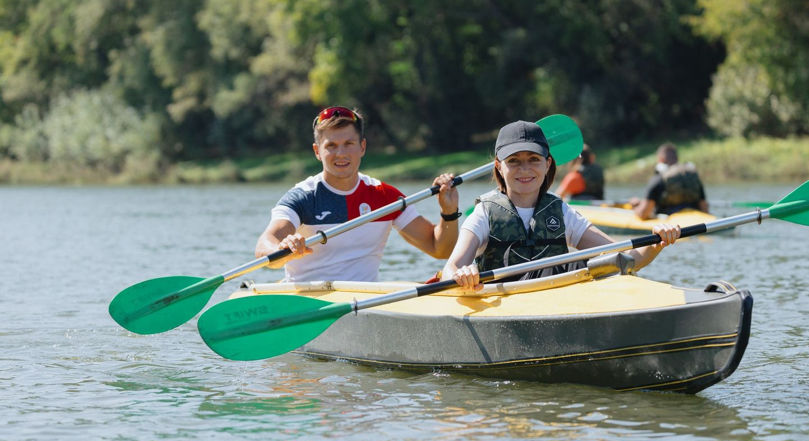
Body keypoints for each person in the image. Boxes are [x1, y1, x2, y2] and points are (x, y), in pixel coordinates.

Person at [442, 120, 681, 291]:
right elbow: (451, 268)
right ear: (498, 166)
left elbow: (626, 257)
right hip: (503, 306)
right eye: (514, 161)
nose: (524, 169)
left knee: (597, 263)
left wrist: (656, 243)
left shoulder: (562, 212)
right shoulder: (484, 214)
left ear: (547, 164)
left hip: (556, 303)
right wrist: (463, 274)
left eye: (533, 160)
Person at [255, 106, 461, 282]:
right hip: (309, 303)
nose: (341, 154)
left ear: (362, 147)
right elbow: (264, 246)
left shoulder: (384, 196)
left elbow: (439, 249)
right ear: (317, 151)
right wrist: (283, 249)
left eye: (349, 144)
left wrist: (449, 212)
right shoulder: (303, 197)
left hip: (363, 303)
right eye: (331, 146)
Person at [631, 142, 708, 220]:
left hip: (671, 223)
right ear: (676, 158)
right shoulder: (692, 175)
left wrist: (636, 207)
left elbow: (643, 213)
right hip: (696, 219)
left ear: (661, 159)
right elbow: (704, 207)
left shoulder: (658, 178)